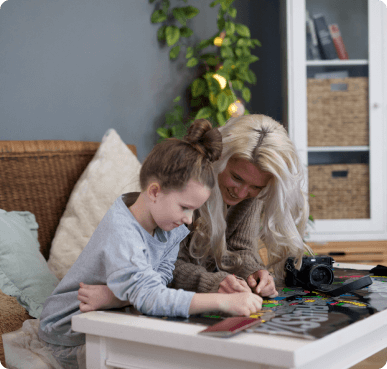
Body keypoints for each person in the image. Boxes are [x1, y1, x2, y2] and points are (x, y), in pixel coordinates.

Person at [36, 119, 262, 369]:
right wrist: (223, 301)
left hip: (110, 315)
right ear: (154, 191)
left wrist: (116, 297)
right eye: (185, 207)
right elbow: (151, 296)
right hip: (68, 334)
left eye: (194, 210)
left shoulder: (168, 226)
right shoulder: (123, 232)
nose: (189, 219)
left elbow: (162, 276)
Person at [77, 114, 311, 313]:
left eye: (256, 187)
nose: (241, 192)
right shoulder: (182, 193)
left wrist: (254, 274)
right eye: (236, 177)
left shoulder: (247, 192)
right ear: (220, 161)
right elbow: (154, 278)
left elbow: (239, 249)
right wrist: (216, 288)